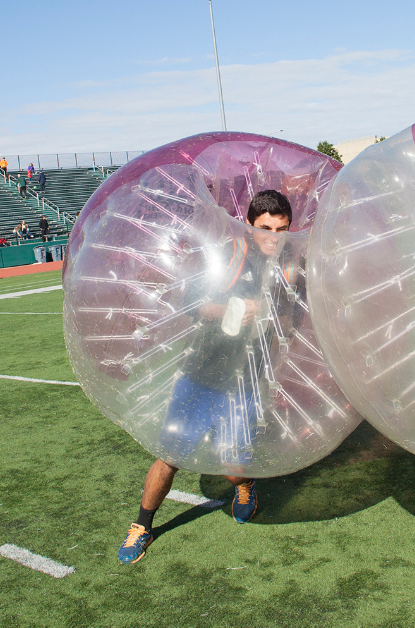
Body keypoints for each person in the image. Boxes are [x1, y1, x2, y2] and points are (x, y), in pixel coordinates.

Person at [118, 189, 295, 564]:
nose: (273, 238)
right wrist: (234, 308)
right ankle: (142, 526)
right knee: (170, 455)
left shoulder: (291, 267)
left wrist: (271, 319)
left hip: (245, 380)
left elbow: (292, 320)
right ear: (250, 225)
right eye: (265, 228)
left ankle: (244, 485)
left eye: (282, 230)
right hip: (202, 371)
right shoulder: (232, 254)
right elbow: (193, 304)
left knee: (232, 464)